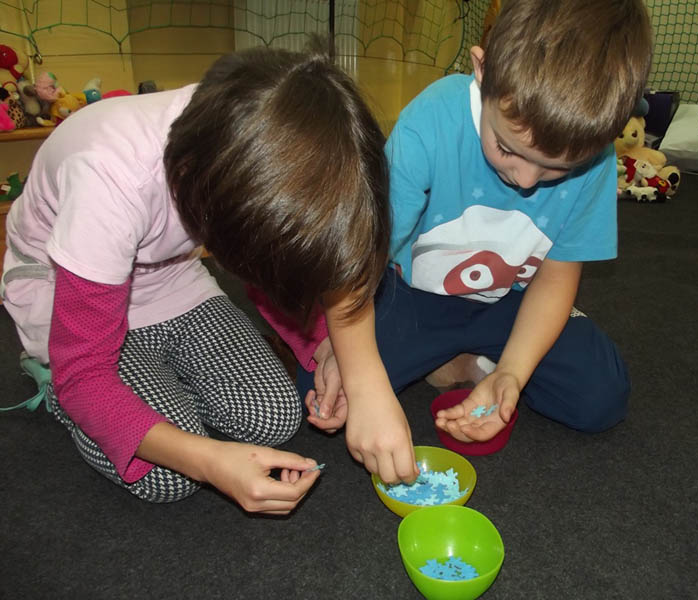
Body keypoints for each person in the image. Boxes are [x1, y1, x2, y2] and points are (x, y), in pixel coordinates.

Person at [261, 0, 652, 485]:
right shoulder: (431, 120)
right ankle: (450, 360)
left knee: (601, 396)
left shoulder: (597, 159)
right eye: (508, 148)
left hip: (512, 300)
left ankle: (465, 362)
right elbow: (358, 261)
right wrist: (364, 382)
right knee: (327, 391)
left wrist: (511, 373)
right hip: (410, 294)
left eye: (558, 169)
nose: (526, 181)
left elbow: (557, 276)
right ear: (482, 72)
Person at [1, 39, 391, 514]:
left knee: (274, 416)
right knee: (169, 474)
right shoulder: (108, 178)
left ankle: (154, 387)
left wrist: (323, 347)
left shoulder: (241, 131)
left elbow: (269, 258)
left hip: (167, 274)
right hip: (66, 290)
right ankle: (59, 381)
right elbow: (84, 372)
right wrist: (207, 461)